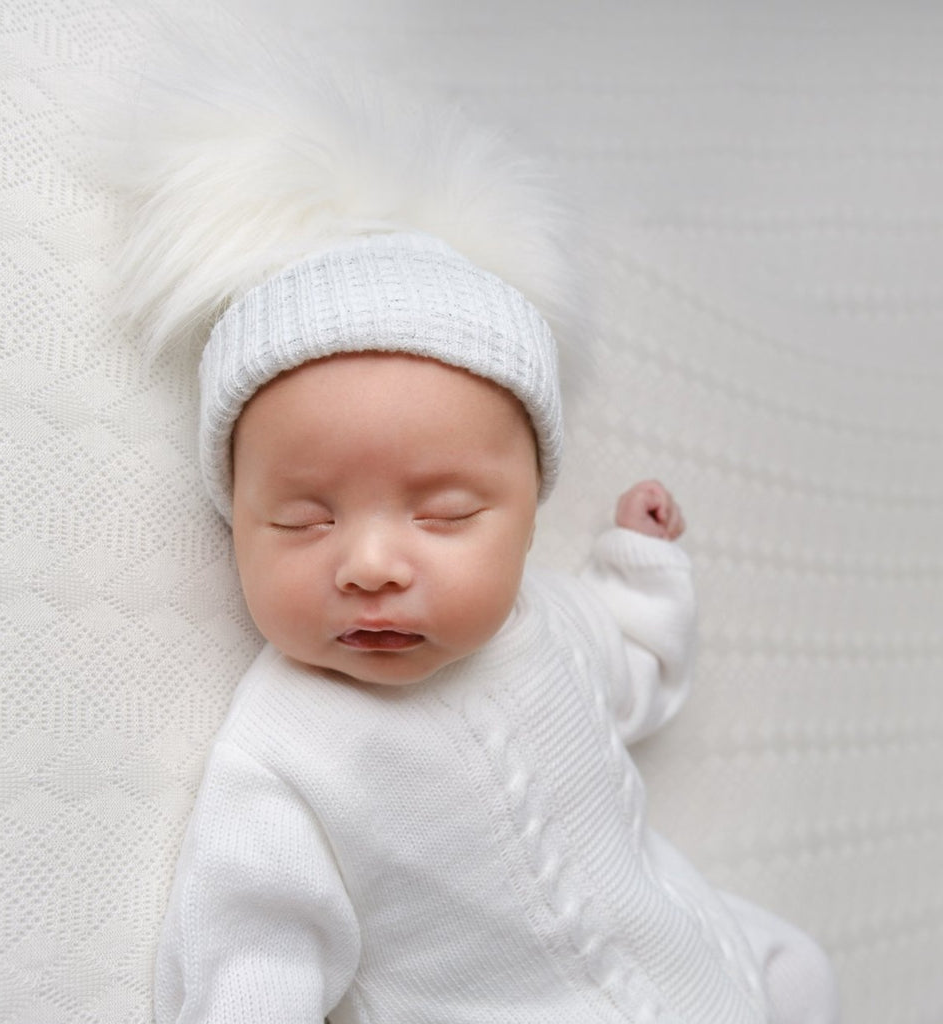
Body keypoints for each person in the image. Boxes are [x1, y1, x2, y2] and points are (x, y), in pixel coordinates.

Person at [118, 40, 839, 1024]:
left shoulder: (549, 623)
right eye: (302, 518)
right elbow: (253, 945)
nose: (370, 565)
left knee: (801, 971)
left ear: (528, 514)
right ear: (233, 522)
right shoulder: (283, 755)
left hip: (706, 960)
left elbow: (637, 673)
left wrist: (641, 561)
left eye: (445, 514)